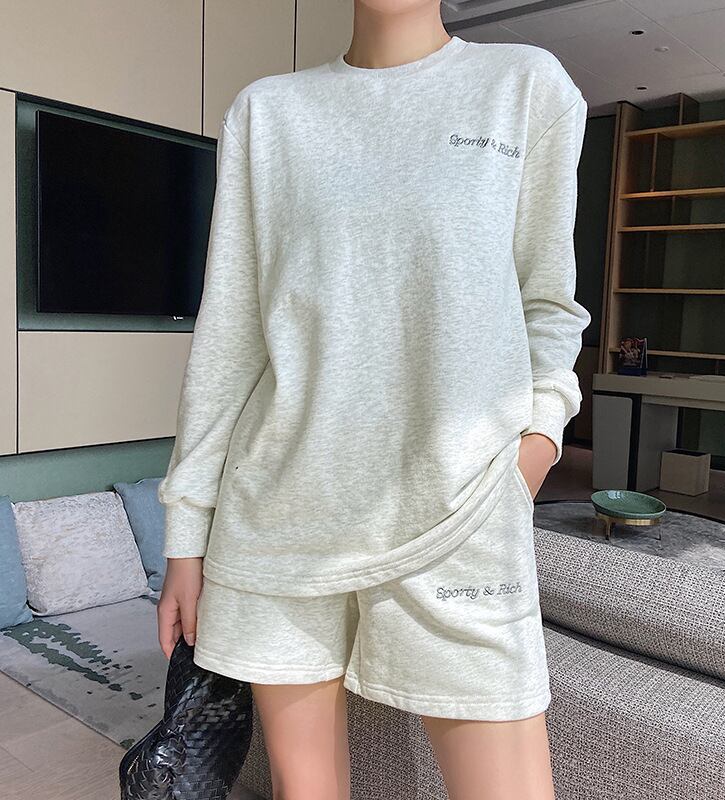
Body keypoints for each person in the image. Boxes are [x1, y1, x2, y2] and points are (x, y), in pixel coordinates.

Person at [156, 1, 591, 797]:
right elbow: (231, 334)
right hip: (278, 516)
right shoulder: (267, 112)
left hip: (457, 512)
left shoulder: (524, 85)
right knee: (305, 789)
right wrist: (187, 532)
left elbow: (548, 302)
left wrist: (531, 451)